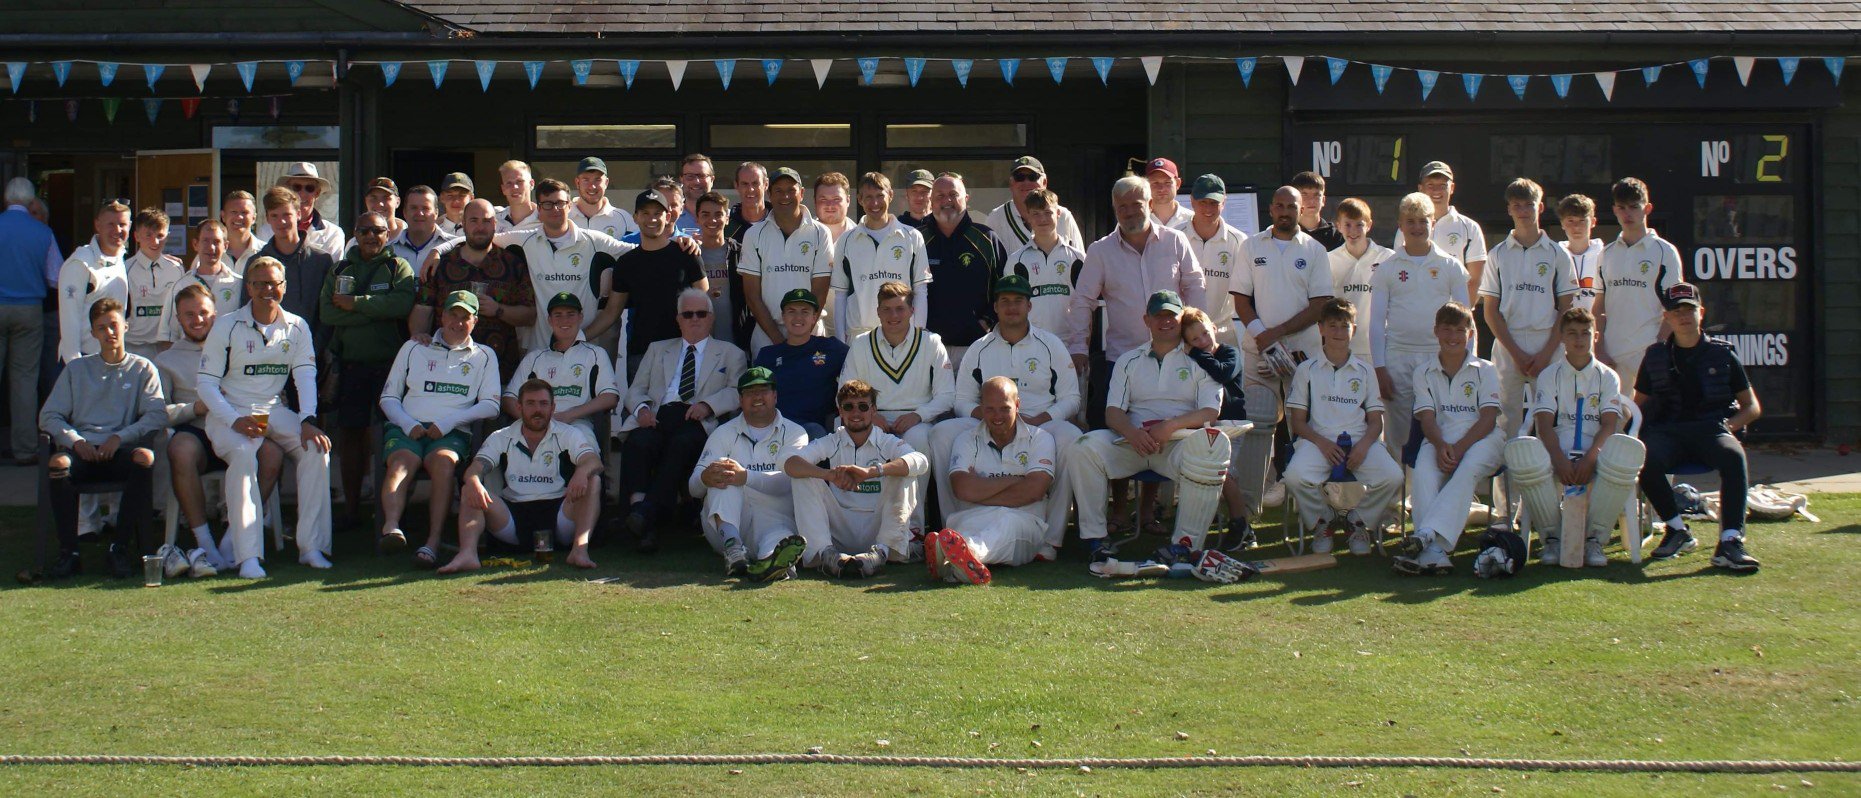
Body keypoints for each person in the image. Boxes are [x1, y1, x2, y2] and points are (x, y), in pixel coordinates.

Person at [196, 257, 334, 578]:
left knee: (316, 450)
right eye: (260, 284)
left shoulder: (297, 326)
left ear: (284, 287)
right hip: (233, 411)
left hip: (271, 411)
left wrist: (307, 419)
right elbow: (205, 383)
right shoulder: (227, 325)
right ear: (248, 288)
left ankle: (311, 546)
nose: (267, 290)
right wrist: (232, 419)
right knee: (245, 455)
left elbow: (305, 374)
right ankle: (248, 558)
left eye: (274, 283)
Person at [1069, 290, 1230, 562]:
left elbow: (1210, 411)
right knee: (1082, 448)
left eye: (1172, 316)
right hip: (1133, 444)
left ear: (1182, 318)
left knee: (1214, 446)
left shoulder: (1202, 359)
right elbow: (1113, 412)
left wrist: (1170, 426)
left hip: (1178, 445)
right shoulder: (1128, 360)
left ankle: (1185, 545)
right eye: (1159, 316)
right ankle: (1096, 539)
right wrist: (1132, 433)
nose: (1166, 322)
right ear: (1147, 320)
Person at [933, 274, 1080, 550]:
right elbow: (962, 399)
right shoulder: (979, 348)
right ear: (996, 307)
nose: (1012, 307)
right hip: (991, 419)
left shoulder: (1051, 345)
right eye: (1005, 302)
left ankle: (1052, 539)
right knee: (941, 433)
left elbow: (1071, 398)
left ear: (1029, 306)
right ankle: (953, 526)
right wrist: (990, 417)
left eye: (1018, 301)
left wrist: (1041, 420)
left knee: (1071, 437)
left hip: (1039, 423)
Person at [1502, 307, 1645, 567]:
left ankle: (1594, 539)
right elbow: (1543, 424)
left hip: (1596, 447)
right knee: (1523, 453)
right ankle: (1552, 538)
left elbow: (1609, 424)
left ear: (1596, 336)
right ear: (1562, 338)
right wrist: (1559, 460)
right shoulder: (1549, 375)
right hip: (1558, 445)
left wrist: (1591, 459)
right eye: (1572, 334)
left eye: (1585, 333)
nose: (1579, 339)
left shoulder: (1608, 376)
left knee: (1626, 453)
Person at [156, 284, 283, 575]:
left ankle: (233, 539)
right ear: (178, 319)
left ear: (216, 314)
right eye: (189, 315)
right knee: (179, 449)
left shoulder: (240, 345)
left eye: (203, 312)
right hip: (198, 435)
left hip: (239, 428)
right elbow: (157, 413)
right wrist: (193, 409)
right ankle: (206, 544)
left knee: (273, 453)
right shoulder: (166, 359)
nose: (197, 320)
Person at [1634, 283, 1762, 571]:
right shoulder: (1655, 356)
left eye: (1689, 310)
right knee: (1644, 457)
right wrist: (1626, 432)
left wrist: (1731, 426)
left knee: (1733, 456)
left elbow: (1752, 406)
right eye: (1676, 311)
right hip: (1668, 431)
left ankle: (1730, 542)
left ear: (1701, 313)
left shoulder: (1723, 354)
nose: (1683, 316)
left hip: (1712, 428)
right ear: (1666, 317)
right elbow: (1637, 404)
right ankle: (1676, 530)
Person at [38, 298, 165, 579]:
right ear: (93, 333)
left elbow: (156, 415)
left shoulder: (143, 368)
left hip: (119, 449)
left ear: (125, 327)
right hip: (83, 449)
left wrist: (121, 437)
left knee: (145, 457)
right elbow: (49, 416)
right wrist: (75, 441)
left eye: (114, 325)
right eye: (102, 328)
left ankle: (119, 547)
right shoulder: (77, 369)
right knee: (58, 462)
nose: (109, 333)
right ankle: (68, 553)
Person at [1069, 175, 1205, 430]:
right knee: (1120, 434)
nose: (1130, 212)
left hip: (1177, 355)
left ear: (1150, 204)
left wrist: (1197, 334)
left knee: (1177, 430)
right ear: (1115, 210)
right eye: (1123, 207)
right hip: (1124, 359)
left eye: (1137, 205)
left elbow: (1195, 286)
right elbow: (1082, 300)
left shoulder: (1176, 241)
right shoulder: (1100, 251)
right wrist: (1078, 346)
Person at [377, 290, 502, 567]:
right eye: (453, 315)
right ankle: (392, 527)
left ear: (475, 321)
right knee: (400, 463)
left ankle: (432, 542)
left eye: (465, 317)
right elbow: (388, 397)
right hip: (407, 427)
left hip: (451, 433)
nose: (458, 323)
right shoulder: (413, 347)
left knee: (443, 464)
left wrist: (447, 423)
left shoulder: (484, 355)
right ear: (442, 316)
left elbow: (491, 405)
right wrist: (408, 424)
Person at [620, 288, 748, 551]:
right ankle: (644, 518)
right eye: (687, 314)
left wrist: (708, 405)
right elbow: (635, 390)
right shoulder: (657, 350)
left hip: (696, 420)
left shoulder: (730, 353)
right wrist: (642, 410)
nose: (694, 319)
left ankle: (646, 517)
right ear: (678, 319)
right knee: (638, 443)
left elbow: (738, 392)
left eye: (701, 313)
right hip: (657, 416)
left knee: (683, 444)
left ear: (711, 318)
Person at [437, 379, 603, 574]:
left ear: (553, 407)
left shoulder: (569, 433)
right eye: (530, 403)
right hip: (512, 516)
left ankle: (579, 551)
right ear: (519, 407)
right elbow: (475, 468)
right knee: (469, 488)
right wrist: (473, 480)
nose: (537, 410)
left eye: (543, 404)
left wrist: (581, 472)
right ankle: (467, 554)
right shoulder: (501, 436)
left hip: (560, 513)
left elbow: (594, 462)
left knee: (594, 480)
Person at [320, 210, 417, 531]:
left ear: (388, 233)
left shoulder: (396, 267)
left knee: (387, 439)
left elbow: (401, 306)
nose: (372, 237)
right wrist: (376, 310)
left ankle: (386, 510)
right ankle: (350, 510)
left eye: (378, 231)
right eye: (365, 231)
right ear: (355, 234)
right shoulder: (340, 268)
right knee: (351, 438)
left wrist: (357, 304)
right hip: (351, 367)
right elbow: (329, 314)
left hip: (389, 366)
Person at [1283, 298, 1402, 555]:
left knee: (1393, 477)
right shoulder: (1307, 369)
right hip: (1318, 441)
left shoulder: (1365, 370)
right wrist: (1323, 444)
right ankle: (1322, 521)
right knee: (1294, 477)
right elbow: (1298, 423)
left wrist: (1364, 446)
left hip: (1360, 441)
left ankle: (1358, 521)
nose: (1339, 332)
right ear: (1321, 329)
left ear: (1354, 330)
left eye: (1344, 326)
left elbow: (1375, 421)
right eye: (1333, 326)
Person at [1394, 302, 1504, 575]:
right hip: (1440, 440)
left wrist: (1460, 448)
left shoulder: (1486, 369)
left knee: (1466, 471)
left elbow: (1488, 418)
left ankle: (1426, 534)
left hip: (1483, 440)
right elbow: (1427, 419)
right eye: (1447, 330)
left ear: (1470, 334)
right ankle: (1434, 554)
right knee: (1422, 474)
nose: (1453, 337)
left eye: (1460, 330)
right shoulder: (1424, 372)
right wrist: (1443, 445)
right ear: (1436, 331)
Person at [840, 281, 953, 537]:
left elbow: (947, 395)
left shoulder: (931, 342)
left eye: (900, 309)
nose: (894, 316)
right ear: (878, 312)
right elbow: (845, 390)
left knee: (918, 440)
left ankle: (913, 528)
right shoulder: (860, 344)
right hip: (872, 418)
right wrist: (872, 416)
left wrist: (918, 415)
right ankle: (866, 527)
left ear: (912, 310)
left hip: (918, 419)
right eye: (887, 309)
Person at [785, 379, 930, 579]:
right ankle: (826, 555)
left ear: (873, 411)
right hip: (840, 529)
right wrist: (829, 475)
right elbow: (791, 464)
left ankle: (881, 554)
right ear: (840, 412)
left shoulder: (886, 441)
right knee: (802, 477)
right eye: (848, 407)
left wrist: (871, 472)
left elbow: (920, 461)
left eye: (863, 406)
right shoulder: (832, 440)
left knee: (903, 472)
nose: (856, 413)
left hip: (878, 529)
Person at [688, 367, 812, 580]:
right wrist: (704, 478)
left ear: (775, 395)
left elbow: (789, 481)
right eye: (749, 392)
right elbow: (693, 488)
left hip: (777, 518)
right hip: (728, 526)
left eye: (763, 390)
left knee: (779, 543)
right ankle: (734, 549)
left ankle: (772, 563)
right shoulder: (723, 433)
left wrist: (745, 476)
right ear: (740, 399)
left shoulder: (795, 433)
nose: (757, 397)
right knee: (722, 471)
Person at [1368, 193, 1470, 453]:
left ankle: (1432, 493)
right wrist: (1380, 369)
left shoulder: (1451, 266)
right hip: (1398, 357)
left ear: (1433, 223)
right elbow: (1377, 323)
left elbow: (1466, 322)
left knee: (1441, 428)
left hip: (1440, 358)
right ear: (1400, 226)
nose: (1416, 228)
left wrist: (1466, 364)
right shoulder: (1387, 268)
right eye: (1410, 221)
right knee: (1398, 436)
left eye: (1422, 221)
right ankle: (1400, 491)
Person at [1481, 178, 1578, 443]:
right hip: (1508, 346)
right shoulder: (1498, 254)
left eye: (1529, 205)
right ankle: (1505, 485)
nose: (1523, 211)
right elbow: (1490, 310)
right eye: (1517, 205)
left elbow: (1566, 308)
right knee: (1504, 423)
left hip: (1548, 344)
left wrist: (1546, 353)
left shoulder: (1558, 254)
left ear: (1541, 207)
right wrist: (1516, 353)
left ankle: (1550, 484)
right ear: (1509, 210)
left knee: (1553, 420)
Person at [935, 376, 1058, 583]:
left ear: (1017, 405)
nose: (997, 416)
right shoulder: (966, 439)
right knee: (962, 526)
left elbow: (1034, 491)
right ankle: (958, 565)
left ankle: (967, 554)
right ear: (981, 408)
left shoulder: (1039, 438)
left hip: (1025, 522)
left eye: (1004, 408)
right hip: (974, 517)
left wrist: (979, 492)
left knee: (1006, 521)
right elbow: (962, 489)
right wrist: (1015, 479)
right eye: (990, 409)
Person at [411, 198, 535, 385]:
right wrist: (419, 336)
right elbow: (423, 308)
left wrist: (498, 310)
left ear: (495, 224)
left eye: (486, 221)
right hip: (446, 370)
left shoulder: (513, 264)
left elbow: (530, 315)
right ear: (463, 224)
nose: (480, 227)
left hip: (499, 373)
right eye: (474, 221)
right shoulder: (441, 265)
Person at [602, 189, 708, 382]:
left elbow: (705, 303)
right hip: (642, 353)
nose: (652, 219)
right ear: (635, 217)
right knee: (640, 409)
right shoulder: (626, 263)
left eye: (657, 213)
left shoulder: (687, 254)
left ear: (667, 216)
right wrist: (579, 335)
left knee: (684, 411)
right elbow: (611, 312)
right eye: (645, 213)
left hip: (684, 351)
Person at [1594, 178, 1682, 394]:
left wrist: (1658, 350)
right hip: (1612, 356)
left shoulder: (1665, 252)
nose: (1627, 214)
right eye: (1622, 208)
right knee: (1614, 424)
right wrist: (1599, 348)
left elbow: (1674, 307)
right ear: (1614, 210)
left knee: (1650, 421)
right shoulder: (1607, 253)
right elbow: (1598, 306)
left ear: (1647, 208)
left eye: (1634, 207)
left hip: (1648, 354)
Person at [1180, 307, 1253, 550]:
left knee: (1225, 475)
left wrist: (1196, 354)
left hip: (1233, 425)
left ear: (1213, 327)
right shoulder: (1197, 359)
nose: (1202, 341)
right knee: (1212, 473)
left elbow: (1222, 373)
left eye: (1204, 333)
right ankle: (1228, 524)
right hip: (1209, 426)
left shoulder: (1229, 352)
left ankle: (1241, 525)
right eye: (1194, 339)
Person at [739, 167, 834, 352]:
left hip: (811, 333)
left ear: (802, 193)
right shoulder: (754, 234)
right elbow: (752, 295)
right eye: (779, 191)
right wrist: (778, 340)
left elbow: (820, 291)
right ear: (769, 194)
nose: (785, 196)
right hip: (767, 335)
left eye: (791, 190)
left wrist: (801, 335)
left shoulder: (820, 232)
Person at [505, 292, 620, 441]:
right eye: (558, 315)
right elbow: (509, 399)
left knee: (586, 454)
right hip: (534, 425)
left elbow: (610, 397)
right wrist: (533, 420)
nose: (564, 320)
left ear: (580, 317)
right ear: (549, 320)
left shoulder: (595, 354)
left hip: (577, 424)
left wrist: (569, 415)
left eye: (570, 314)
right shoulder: (535, 358)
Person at [832, 172, 929, 340]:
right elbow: (840, 295)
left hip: (902, 336)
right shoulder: (846, 241)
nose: (875, 203)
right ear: (859, 199)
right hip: (859, 337)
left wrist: (918, 337)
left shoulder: (912, 237)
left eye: (880, 196)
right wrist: (841, 341)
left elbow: (920, 291)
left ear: (890, 195)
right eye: (868, 197)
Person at [0, 177, 54, 464]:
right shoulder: (42, 232)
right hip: (30, 308)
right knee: (24, 380)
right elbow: (55, 276)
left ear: (6, 199)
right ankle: (24, 448)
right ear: (31, 200)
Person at [753, 288, 849, 438]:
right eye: (791, 311)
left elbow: (860, 366)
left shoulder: (831, 348)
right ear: (783, 317)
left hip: (814, 429)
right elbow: (755, 395)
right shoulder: (768, 355)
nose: (798, 317)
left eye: (805, 311)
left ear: (814, 317)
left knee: (813, 432)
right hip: (775, 428)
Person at [1005, 189, 1085, 339]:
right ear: (1027, 216)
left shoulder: (1078, 258)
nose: (1042, 219)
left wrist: (1081, 348)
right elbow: (1011, 307)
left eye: (1048, 212)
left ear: (1058, 214)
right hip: (1030, 342)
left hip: (1069, 344)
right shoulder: (1016, 261)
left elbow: (1085, 305)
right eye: (1036, 213)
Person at [1178, 175, 1248, 348]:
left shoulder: (1239, 241)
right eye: (1203, 202)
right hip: (1182, 333)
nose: (1208, 208)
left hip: (1223, 332)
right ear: (1192, 201)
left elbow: (1247, 290)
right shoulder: (1175, 236)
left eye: (1214, 202)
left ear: (1224, 202)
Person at [57, 201, 130, 365]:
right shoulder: (80, 263)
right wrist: (74, 365)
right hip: (83, 360)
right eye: (110, 224)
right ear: (98, 225)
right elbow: (69, 319)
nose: (117, 230)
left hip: (112, 359)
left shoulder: (120, 259)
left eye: (122, 224)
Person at [255, 186, 333, 331]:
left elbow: (328, 313)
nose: (282, 222)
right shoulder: (256, 263)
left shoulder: (321, 261)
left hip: (312, 349)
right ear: (267, 218)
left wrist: (315, 348)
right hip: (268, 349)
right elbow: (248, 311)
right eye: (274, 216)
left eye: (286, 215)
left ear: (298, 214)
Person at [158, 221, 245, 346]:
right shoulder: (181, 286)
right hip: (190, 360)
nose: (211, 247)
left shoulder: (238, 283)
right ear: (195, 244)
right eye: (205, 241)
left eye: (216, 242)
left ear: (225, 246)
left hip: (229, 359)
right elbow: (167, 336)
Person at [1327, 198, 1391, 362]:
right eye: (1347, 224)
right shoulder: (1328, 260)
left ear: (1369, 225)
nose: (1353, 231)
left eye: (1359, 225)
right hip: (1341, 349)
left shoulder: (1387, 258)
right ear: (1338, 225)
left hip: (1378, 349)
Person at [122, 207, 186, 360]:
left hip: (167, 346)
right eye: (148, 235)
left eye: (160, 235)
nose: (155, 241)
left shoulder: (176, 269)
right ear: (137, 236)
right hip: (134, 346)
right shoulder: (125, 269)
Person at [984, 156, 1086, 251]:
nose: (1026, 182)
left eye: (1033, 177)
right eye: (1019, 177)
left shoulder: (1063, 216)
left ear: (1044, 182)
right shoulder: (996, 219)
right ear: (1011, 184)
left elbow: (1081, 263)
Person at [1417, 161, 1486, 301]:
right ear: (1420, 188)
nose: (1436, 191)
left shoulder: (1470, 227)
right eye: (1430, 185)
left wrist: (1460, 317)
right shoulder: (1408, 228)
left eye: (1443, 186)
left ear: (1452, 188)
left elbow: (1475, 281)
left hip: (1454, 318)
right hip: (1417, 317)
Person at [694, 191, 750, 348]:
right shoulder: (689, 257)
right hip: (699, 345)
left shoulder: (741, 253)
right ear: (697, 218)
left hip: (737, 344)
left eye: (718, 214)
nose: (712, 220)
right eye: (705, 214)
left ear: (727, 219)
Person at [259, 162, 346, 258]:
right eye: (297, 187)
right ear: (287, 190)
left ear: (317, 193)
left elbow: (331, 270)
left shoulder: (332, 233)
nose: (302, 194)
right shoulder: (266, 230)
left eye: (309, 188)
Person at [385, 185, 458, 274]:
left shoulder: (455, 248)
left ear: (436, 213)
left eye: (425, 208)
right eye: (414, 208)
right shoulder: (388, 251)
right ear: (404, 212)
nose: (419, 213)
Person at [569, 156, 639, 240]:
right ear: (577, 182)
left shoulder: (624, 219)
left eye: (597, 180)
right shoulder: (564, 216)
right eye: (586, 180)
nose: (592, 186)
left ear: (606, 182)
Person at [1556, 194, 1603, 311]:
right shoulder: (1554, 256)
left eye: (1582, 220)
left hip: (1595, 325)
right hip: (1563, 325)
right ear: (1562, 223)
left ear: (1593, 222)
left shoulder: (1604, 255)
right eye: (1570, 220)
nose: (1576, 226)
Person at [1290, 171, 1346, 251]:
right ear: (1295, 199)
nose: (1311, 200)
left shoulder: (1337, 237)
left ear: (1323, 200)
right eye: (1304, 194)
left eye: (1316, 195)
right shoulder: (1285, 235)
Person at [218, 190, 265, 273]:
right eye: (234, 212)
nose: (239, 217)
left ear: (254, 218)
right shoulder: (210, 253)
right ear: (223, 216)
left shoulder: (265, 252)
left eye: (244, 212)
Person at [725, 162, 771, 242]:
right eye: (745, 184)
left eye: (755, 183)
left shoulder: (779, 223)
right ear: (736, 185)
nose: (750, 189)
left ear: (766, 184)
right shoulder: (727, 227)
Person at [1144, 157, 1194, 229]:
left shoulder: (1192, 220)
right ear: (1146, 185)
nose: (1161, 189)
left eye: (1167, 182)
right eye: (1155, 183)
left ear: (1178, 184)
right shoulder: (1139, 220)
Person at [493, 160, 541, 234]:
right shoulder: (493, 219)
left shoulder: (545, 220)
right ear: (503, 189)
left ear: (531, 184)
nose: (514, 187)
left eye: (519, 181)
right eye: (509, 183)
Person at [358, 177, 407, 242]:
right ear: (366, 202)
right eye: (373, 198)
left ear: (397, 202)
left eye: (386, 198)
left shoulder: (413, 240)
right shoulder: (356, 243)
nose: (380, 204)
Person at [812, 171, 856, 244]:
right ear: (815, 201)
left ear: (848, 200)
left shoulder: (862, 239)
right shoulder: (800, 236)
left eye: (836, 199)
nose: (830, 205)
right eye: (823, 199)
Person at [677, 153, 716, 234]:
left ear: (712, 180)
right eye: (690, 176)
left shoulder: (727, 219)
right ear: (681, 179)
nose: (696, 182)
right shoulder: (672, 219)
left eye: (702, 176)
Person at [437, 172, 474, 237]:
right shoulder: (433, 233)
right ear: (441, 198)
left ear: (471, 198)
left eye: (462, 195)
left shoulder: (479, 231)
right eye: (450, 195)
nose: (456, 200)